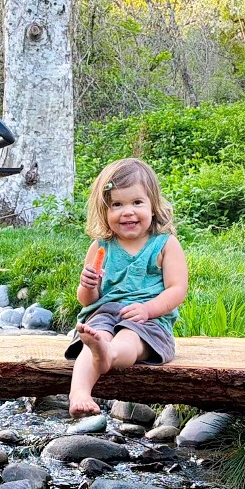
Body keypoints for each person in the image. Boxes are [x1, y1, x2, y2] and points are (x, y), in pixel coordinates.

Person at [66, 158, 188, 418]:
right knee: (94, 338)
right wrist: (87, 286)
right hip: (104, 313)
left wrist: (148, 310)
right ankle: (79, 394)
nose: (128, 212)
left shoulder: (165, 244)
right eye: (117, 205)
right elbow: (88, 301)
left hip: (148, 321)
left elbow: (177, 289)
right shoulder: (101, 247)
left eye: (137, 202)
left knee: (129, 337)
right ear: (105, 211)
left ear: (153, 206)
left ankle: (108, 353)